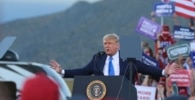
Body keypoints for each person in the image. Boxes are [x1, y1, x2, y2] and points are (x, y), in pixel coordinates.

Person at [50, 33, 179, 84]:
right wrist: (62, 72)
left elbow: (145, 68)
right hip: (102, 98)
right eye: (105, 43)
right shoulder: (98, 59)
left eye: (109, 43)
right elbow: (83, 71)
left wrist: (163, 72)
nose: (106, 46)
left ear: (118, 45)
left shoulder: (129, 60)